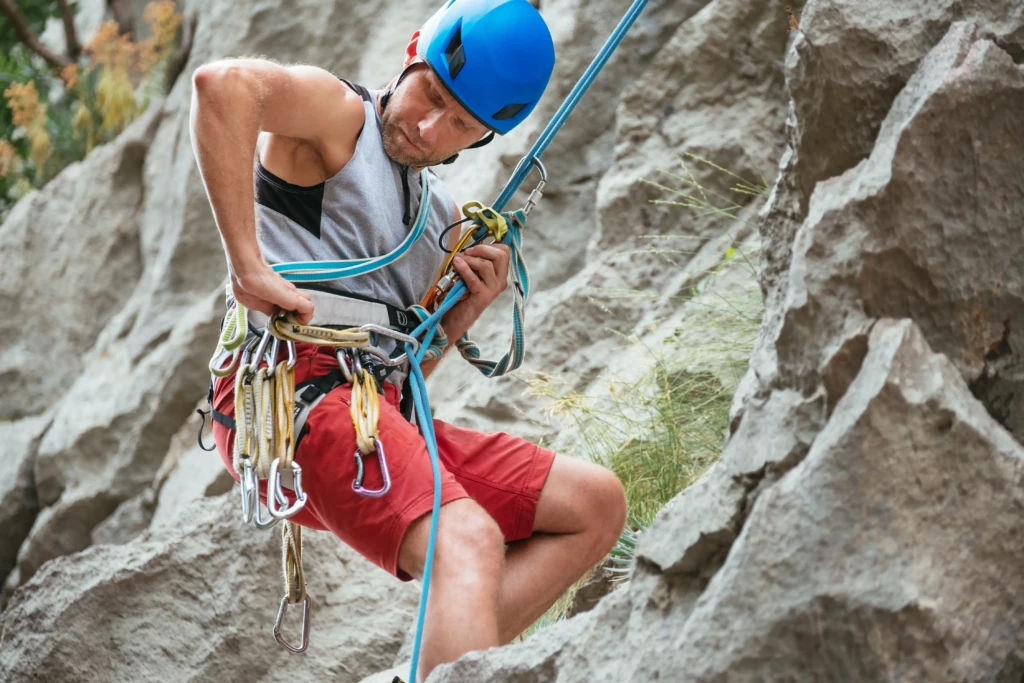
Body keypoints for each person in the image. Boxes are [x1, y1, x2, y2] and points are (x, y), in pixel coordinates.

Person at [189, 0, 627, 679]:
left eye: (459, 122)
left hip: (366, 408)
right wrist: (247, 261)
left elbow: (403, 370)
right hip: (289, 396)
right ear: (413, 51)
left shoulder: (440, 221)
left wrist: (458, 315)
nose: (429, 126)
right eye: (432, 93)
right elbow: (223, 87)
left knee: (594, 506)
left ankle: (430, 669)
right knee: (469, 540)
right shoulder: (338, 119)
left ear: (481, 137)